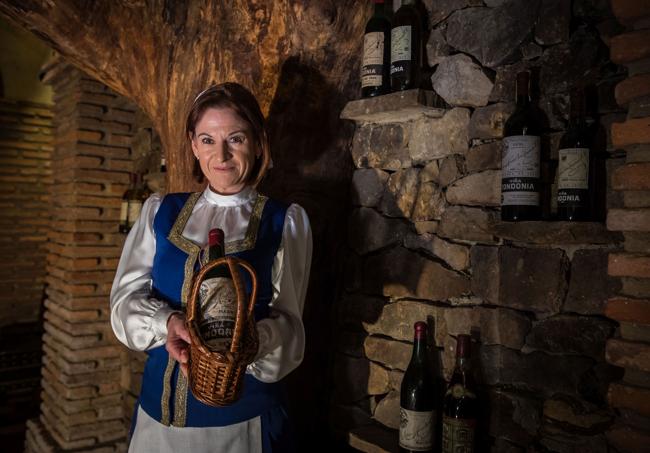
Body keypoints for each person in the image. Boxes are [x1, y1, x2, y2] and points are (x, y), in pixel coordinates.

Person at [110, 82, 312, 453]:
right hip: (158, 425)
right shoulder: (160, 212)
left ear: (257, 142)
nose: (221, 154)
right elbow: (123, 302)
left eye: (235, 138)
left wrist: (250, 343)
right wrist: (166, 323)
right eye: (207, 139)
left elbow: (291, 328)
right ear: (192, 144)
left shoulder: (284, 222)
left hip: (241, 428)